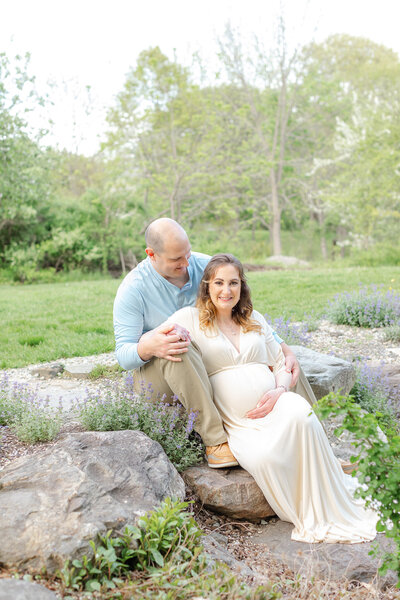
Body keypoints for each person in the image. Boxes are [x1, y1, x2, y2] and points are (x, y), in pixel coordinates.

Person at [163, 253, 378, 544]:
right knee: (265, 457)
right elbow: (159, 337)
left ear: (242, 287)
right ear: (207, 286)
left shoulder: (254, 319)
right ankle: (311, 504)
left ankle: (328, 478)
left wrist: (280, 390)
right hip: (241, 423)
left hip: (278, 402)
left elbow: (281, 361)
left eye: (234, 283)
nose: (226, 291)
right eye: (219, 283)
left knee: (303, 414)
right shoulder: (189, 318)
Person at [113, 218, 313, 468]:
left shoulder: (204, 265)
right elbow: (123, 355)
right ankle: (215, 441)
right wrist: (150, 346)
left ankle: (320, 444)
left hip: (204, 362)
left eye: (187, 253)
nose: (186, 264)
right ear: (151, 254)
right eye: (177, 259)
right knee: (177, 345)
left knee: (288, 362)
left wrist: (282, 347)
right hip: (160, 375)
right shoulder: (133, 289)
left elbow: (240, 309)